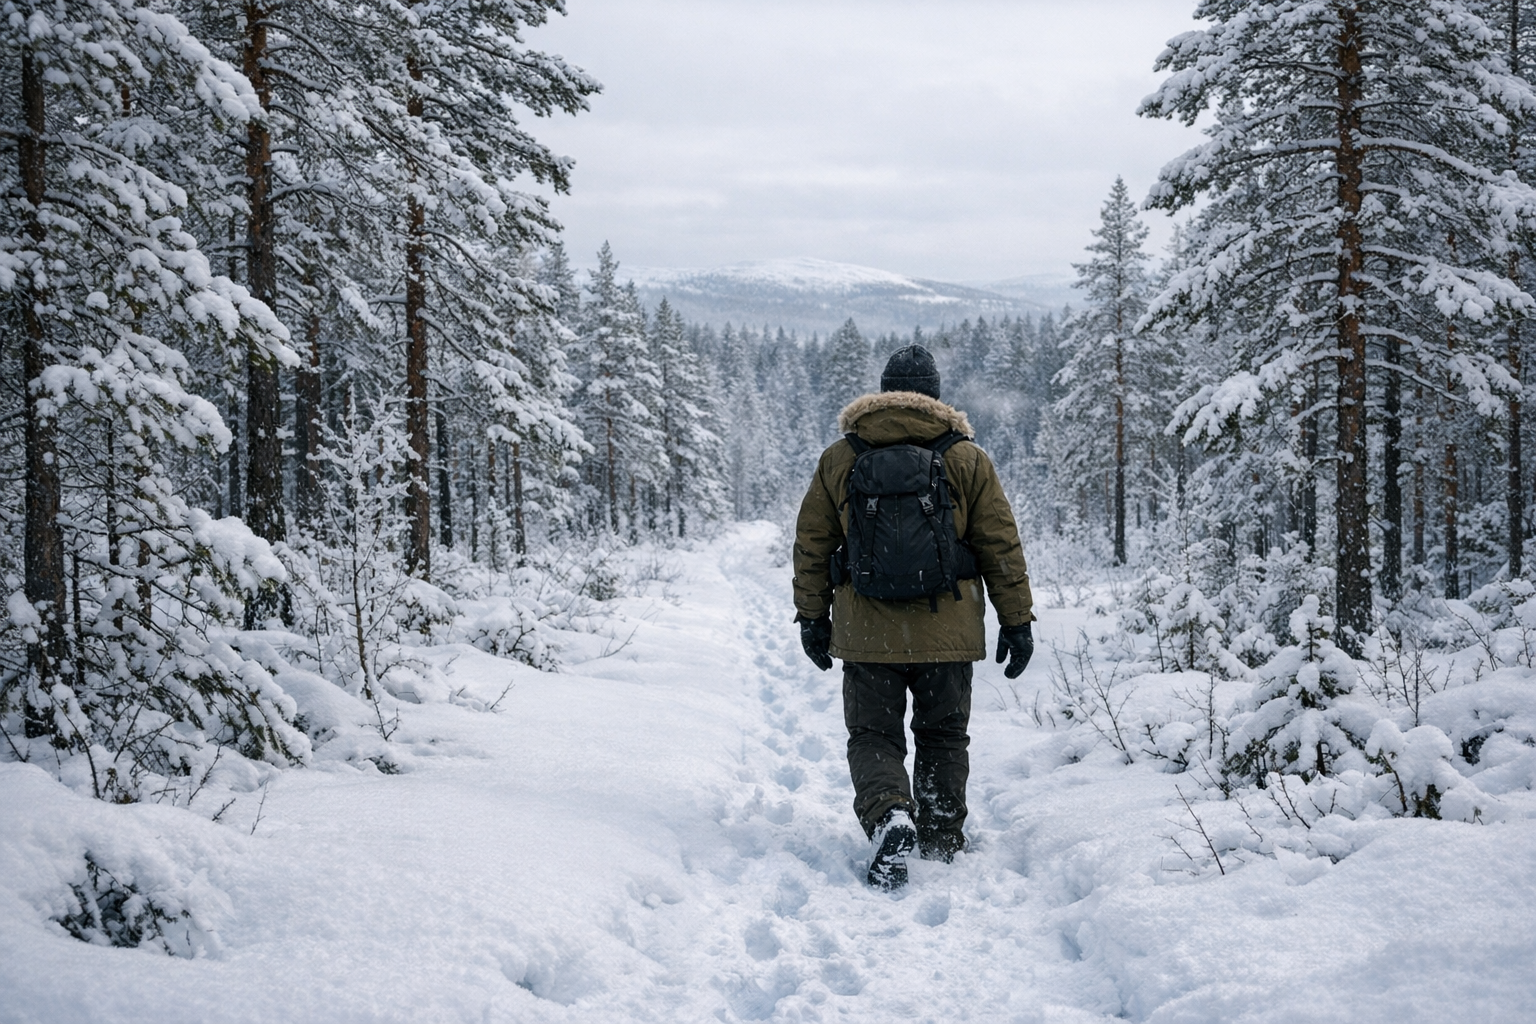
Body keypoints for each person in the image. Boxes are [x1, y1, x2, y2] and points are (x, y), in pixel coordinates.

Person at [792, 345, 1035, 890]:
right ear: (936, 395)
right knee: (944, 735)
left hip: (866, 631)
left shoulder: (842, 456)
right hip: (947, 630)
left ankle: (889, 816)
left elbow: (812, 544)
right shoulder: (967, 458)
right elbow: (1001, 544)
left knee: (873, 734)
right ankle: (941, 839)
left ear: (882, 392)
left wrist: (811, 617)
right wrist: (1016, 621)